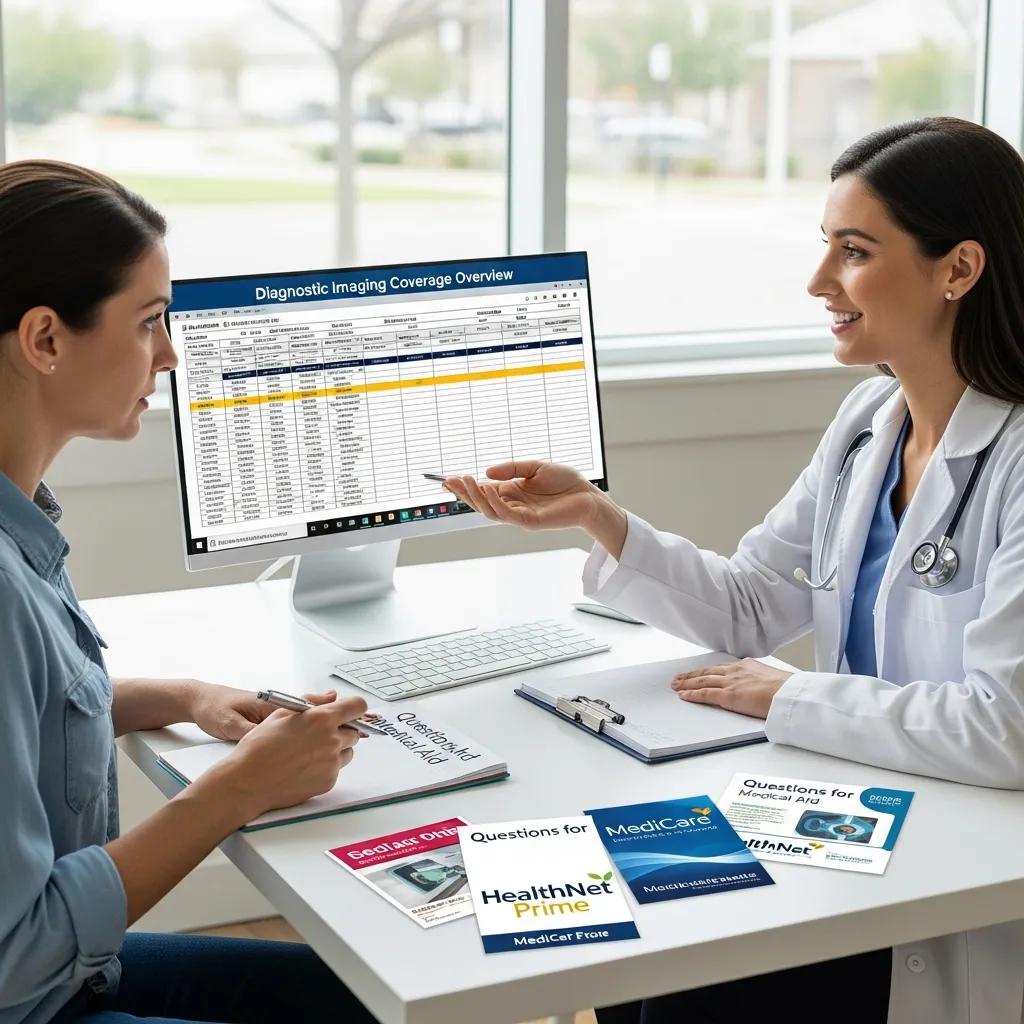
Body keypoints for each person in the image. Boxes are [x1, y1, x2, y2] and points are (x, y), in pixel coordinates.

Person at [443, 117, 1024, 1024]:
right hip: (861, 806)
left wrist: (786, 698)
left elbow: (1007, 730)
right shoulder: (871, 421)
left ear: (959, 269)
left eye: (854, 251)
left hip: (961, 863)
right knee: (633, 942)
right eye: (824, 246)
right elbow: (753, 604)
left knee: (680, 986)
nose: (819, 282)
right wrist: (597, 516)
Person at [0, 160, 378, 1024]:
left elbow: (23, 713)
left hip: (46, 977)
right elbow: (15, 960)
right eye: (150, 322)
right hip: (28, 994)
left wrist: (187, 698)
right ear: (46, 339)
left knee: (366, 999)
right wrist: (239, 788)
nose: (170, 356)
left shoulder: (20, 522)